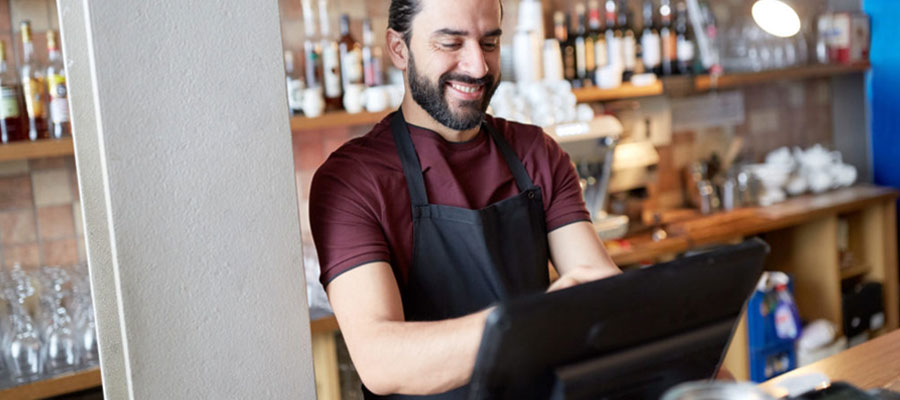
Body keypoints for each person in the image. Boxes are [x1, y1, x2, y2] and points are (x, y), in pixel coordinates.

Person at [309, 0, 621, 398]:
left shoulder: (536, 153)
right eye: (451, 43)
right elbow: (380, 361)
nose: (478, 67)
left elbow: (604, 295)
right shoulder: (353, 181)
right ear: (398, 48)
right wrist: (534, 322)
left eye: (489, 43)